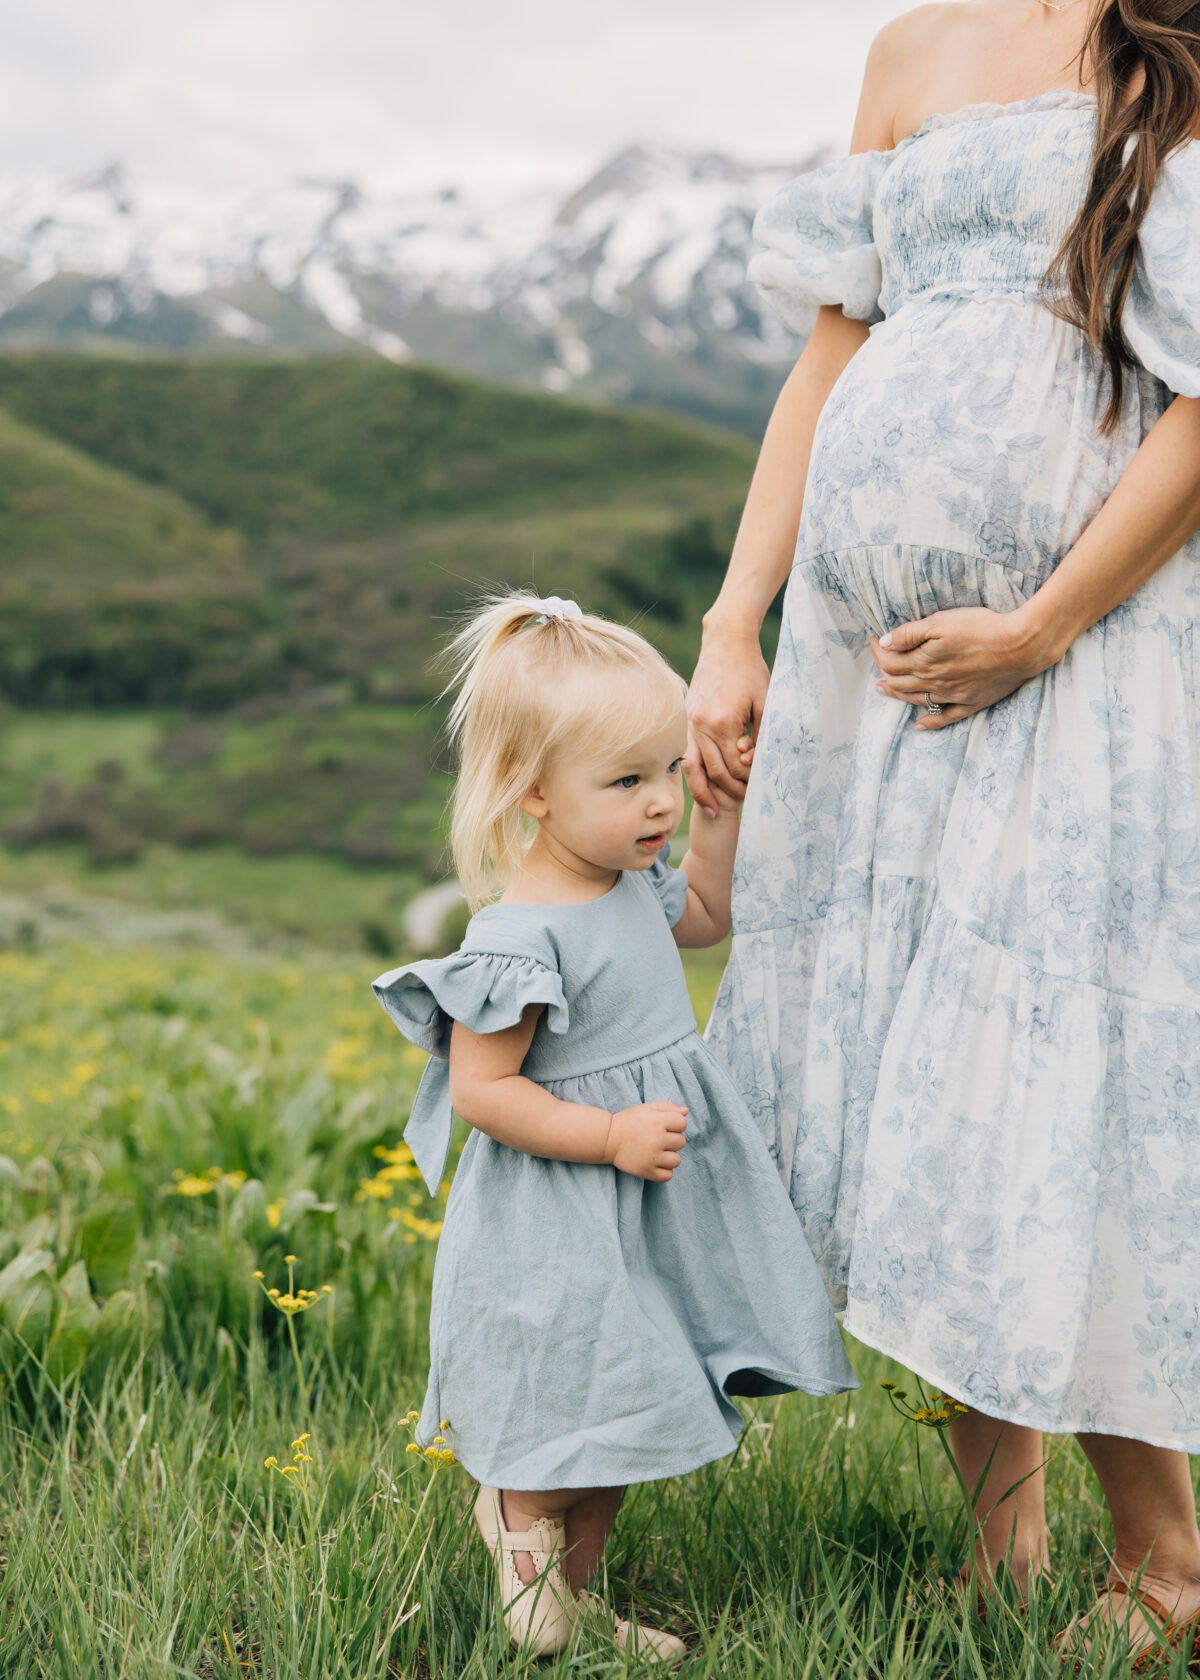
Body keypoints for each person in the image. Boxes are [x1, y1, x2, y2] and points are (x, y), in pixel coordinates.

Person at [686, 0, 1200, 1664]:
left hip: (1087, 644)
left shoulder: (1174, 43)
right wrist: (736, 621)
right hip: (871, 677)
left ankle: (1163, 1562)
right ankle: (1002, 1541)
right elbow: (832, 352)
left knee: (1068, 1063)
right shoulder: (910, 48)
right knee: (928, 1068)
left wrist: (1043, 622)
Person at [371, 593, 855, 1662]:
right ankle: (517, 1523)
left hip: (644, 1198)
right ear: (532, 793)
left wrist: (721, 812)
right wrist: (608, 1138)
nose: (660, 806)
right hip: (561, 1204)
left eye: (669, 773)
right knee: (569, 1397)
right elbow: (485, 1092)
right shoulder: (517, 938)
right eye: (629, 782)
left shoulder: (634, 882)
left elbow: (708, 917)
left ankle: (575, 1602)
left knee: (630, 1402)